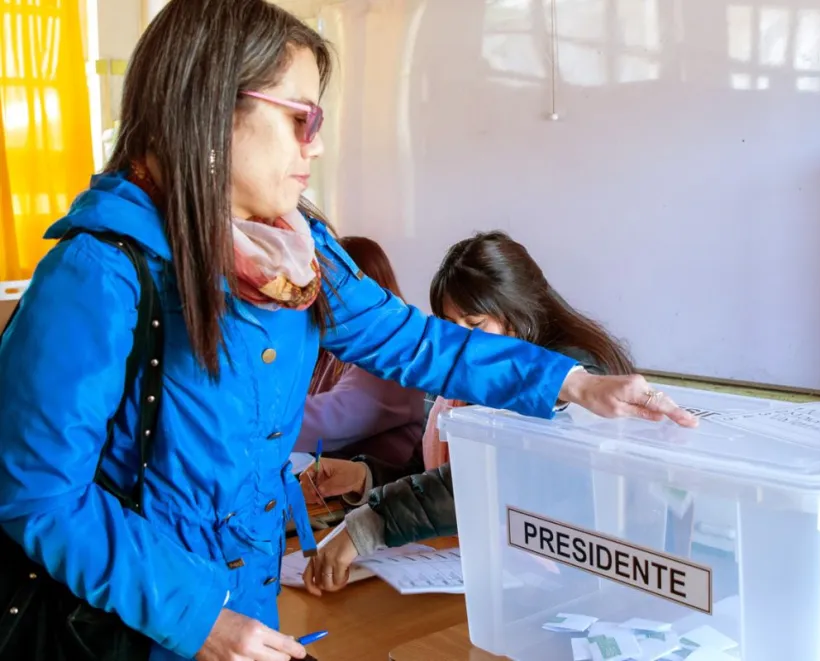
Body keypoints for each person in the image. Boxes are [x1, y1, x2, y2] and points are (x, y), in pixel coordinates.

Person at [0, 3, 695, 661]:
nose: (318, 142)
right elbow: (39, 495)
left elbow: (418, 342)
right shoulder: (99, 274)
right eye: (300, 118)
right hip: (135, 625)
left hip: (247, 606)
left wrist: (571, 381)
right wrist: (199, 619)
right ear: (211, 113)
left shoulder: (299, 253)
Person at [302, 231, 657, 595]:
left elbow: (488, 482)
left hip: (569, 582)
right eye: (447, 325)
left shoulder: (572, 385)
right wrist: (364, 475)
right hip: (473, 569)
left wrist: (368, 526)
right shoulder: (457, 383)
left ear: (519, 317)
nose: (461, 342)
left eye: (474, 325)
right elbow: (427, 474)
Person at [297, 236, 426, 468]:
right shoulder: (331, 343)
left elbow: (331, 421)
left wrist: (247, 419)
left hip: (378, 491)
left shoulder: (394, 350)